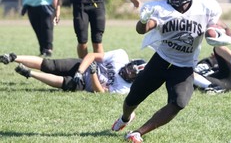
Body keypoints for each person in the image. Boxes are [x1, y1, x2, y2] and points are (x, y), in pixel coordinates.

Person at [111, 0, 231, 142]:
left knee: (179, 102)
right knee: (133, 97)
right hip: (161, 60)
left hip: (185, 65)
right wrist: (143, 21)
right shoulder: (161, 9)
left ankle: (138, 132)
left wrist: (224, 38)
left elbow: (224, 29)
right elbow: (142, 29)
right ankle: (125, 118)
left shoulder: (205, 8)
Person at [0, 49, 146, 94]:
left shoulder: (124, 89)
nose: (128, 72)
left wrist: (94, 73)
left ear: (135, 79)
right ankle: (13, 57)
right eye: (130, 67)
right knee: (51, 65)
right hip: (81, 66)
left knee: (67, 83)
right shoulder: (120, 55)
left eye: (133, 73)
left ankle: (29, 73)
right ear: (130, 62)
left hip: (85, 83)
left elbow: (100, 92)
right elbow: (92, 56)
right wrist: (81, 70)